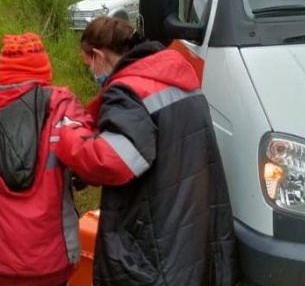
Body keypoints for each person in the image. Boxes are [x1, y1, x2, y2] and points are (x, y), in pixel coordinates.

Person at [55, 16, 238, 285]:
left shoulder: (128, 92)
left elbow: (113, 161)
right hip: (192, 227)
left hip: (154, 243)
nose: (92, 72)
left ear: (98, 55)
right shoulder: (174, 74)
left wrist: (66, 137)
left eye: (88, 65)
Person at [0, 33, 91, 286]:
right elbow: (91, 160)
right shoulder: (63, 109)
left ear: (2, 72)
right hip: (49, 265)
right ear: (44, 70)